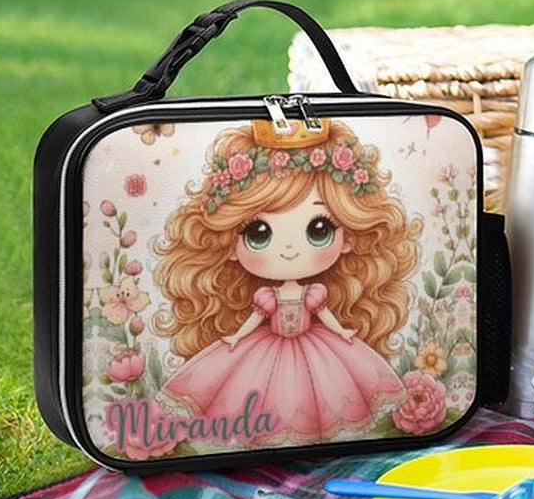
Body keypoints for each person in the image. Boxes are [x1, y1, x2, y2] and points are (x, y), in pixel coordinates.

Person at [153, 119, 419, 445]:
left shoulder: (314, 293)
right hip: (266, 350)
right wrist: (236, 336)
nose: (290, 250)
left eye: (319, 228)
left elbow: (326, 316)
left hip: (318, 348)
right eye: (258, 233)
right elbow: (255, 319)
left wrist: (341, 332)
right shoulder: (267, 296)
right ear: (229, 243)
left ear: (349, 235)